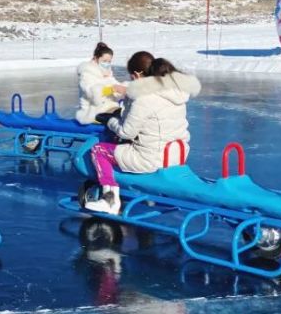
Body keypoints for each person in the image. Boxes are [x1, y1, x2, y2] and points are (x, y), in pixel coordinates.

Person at [85, 57, 201, 215]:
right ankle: (143, 191)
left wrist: (110, 120)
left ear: (139, 75)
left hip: (152, 158)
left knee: (99, 150)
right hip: (176, 155)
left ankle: (109, 199)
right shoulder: (176, 94)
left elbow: (127, 132)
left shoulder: (145, 98)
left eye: (132, 76)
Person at [76, 42, 125, 125]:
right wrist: (112, 89)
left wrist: (126, 89)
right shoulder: (86, 73)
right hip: (92, 112)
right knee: (120, 118)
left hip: (109, 108)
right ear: (96, 58)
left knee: (129, 114)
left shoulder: (107, 73)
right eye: (104, 61)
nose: (107, 64)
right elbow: (91, 93)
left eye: (109, 61)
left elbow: (116, 84)